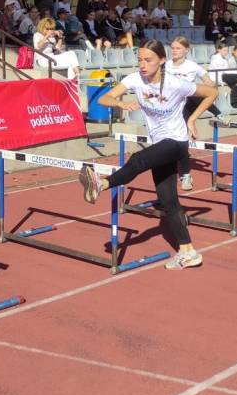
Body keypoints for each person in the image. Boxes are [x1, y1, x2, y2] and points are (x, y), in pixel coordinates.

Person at [81, 40, 217, 270]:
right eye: (140, 60)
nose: (143, 65)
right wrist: (122, 104)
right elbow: (104, 98)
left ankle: (101, 184)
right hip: (159, 143)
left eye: (148, 60)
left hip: (176, 142)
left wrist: (192, 120)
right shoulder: (135, 79)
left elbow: (212, 93)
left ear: (162, 61)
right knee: (168, 201)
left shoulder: (176, 84)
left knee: (138, 159)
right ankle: (189, 252)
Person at [167, 36, 221, 190]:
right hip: (170, 105)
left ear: (186, 50)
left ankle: (185, 175)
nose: (174, 51)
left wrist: (212, 87)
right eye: (173, 48)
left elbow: (208, 81)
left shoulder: (192, 66)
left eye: (178, 48)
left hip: (186, 104)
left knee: (182, 140)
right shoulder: (166, 66)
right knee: (172, 142)